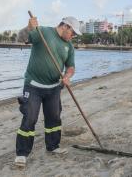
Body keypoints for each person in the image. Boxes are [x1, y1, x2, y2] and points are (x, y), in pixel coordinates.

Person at [14, 15, 82, 167]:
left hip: (53, 88)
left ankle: (53, 146)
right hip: (33, 86)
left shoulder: (69, 46)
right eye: (73, 32)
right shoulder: (43, 32)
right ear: (65, 26)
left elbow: (71, 66)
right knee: (30, 118)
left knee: (54, 118)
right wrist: (29, 27)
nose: (74, 36)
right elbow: (20, 38)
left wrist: (67, 76)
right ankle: (22, 153)